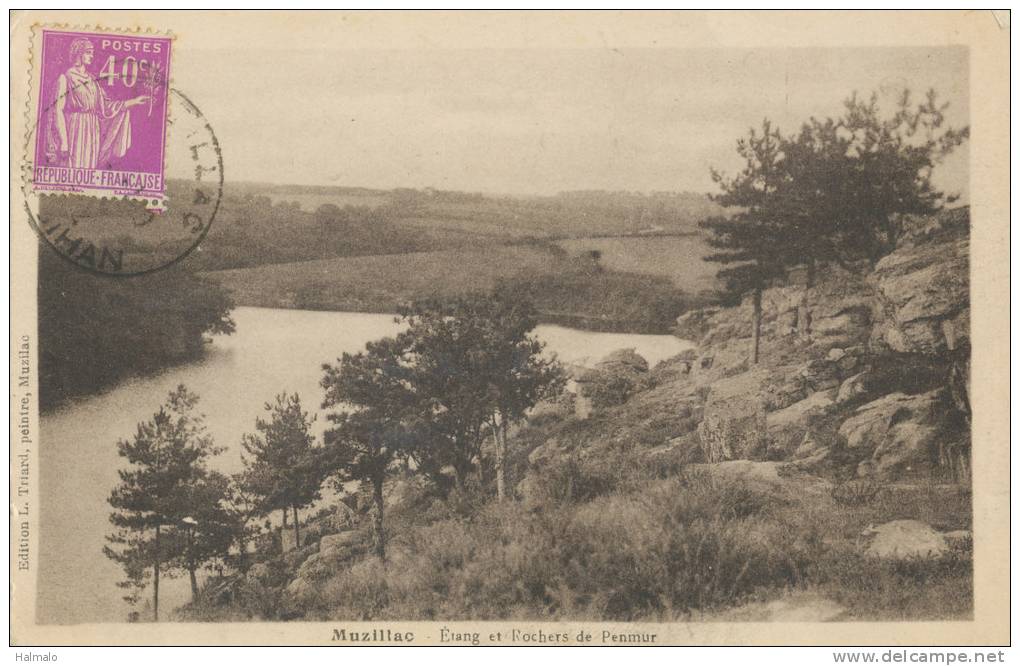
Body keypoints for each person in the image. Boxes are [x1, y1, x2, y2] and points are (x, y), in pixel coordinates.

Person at [52, 38, 149, 169]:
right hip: (75, 129)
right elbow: (57, 110)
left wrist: (134, 101)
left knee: (89, 168)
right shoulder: (65, 78)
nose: (91, 56)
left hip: (92, 130)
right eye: (88, 52)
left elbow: (107, 107)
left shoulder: (92, 80)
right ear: (78, 53)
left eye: (92, 53)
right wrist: (64, 142)